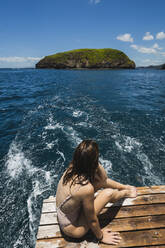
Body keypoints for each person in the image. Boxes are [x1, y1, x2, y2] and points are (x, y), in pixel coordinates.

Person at [56, 140, 137, 245]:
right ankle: (125, 193)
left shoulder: (73, 167)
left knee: (100, 182)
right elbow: (92, 220)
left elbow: (103, 179)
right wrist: (101, 236)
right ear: (93, 162)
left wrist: (92, 160)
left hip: (67, 215)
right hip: (73, 229)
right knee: (108, 193)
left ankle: (124, 187)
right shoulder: (86, 189)